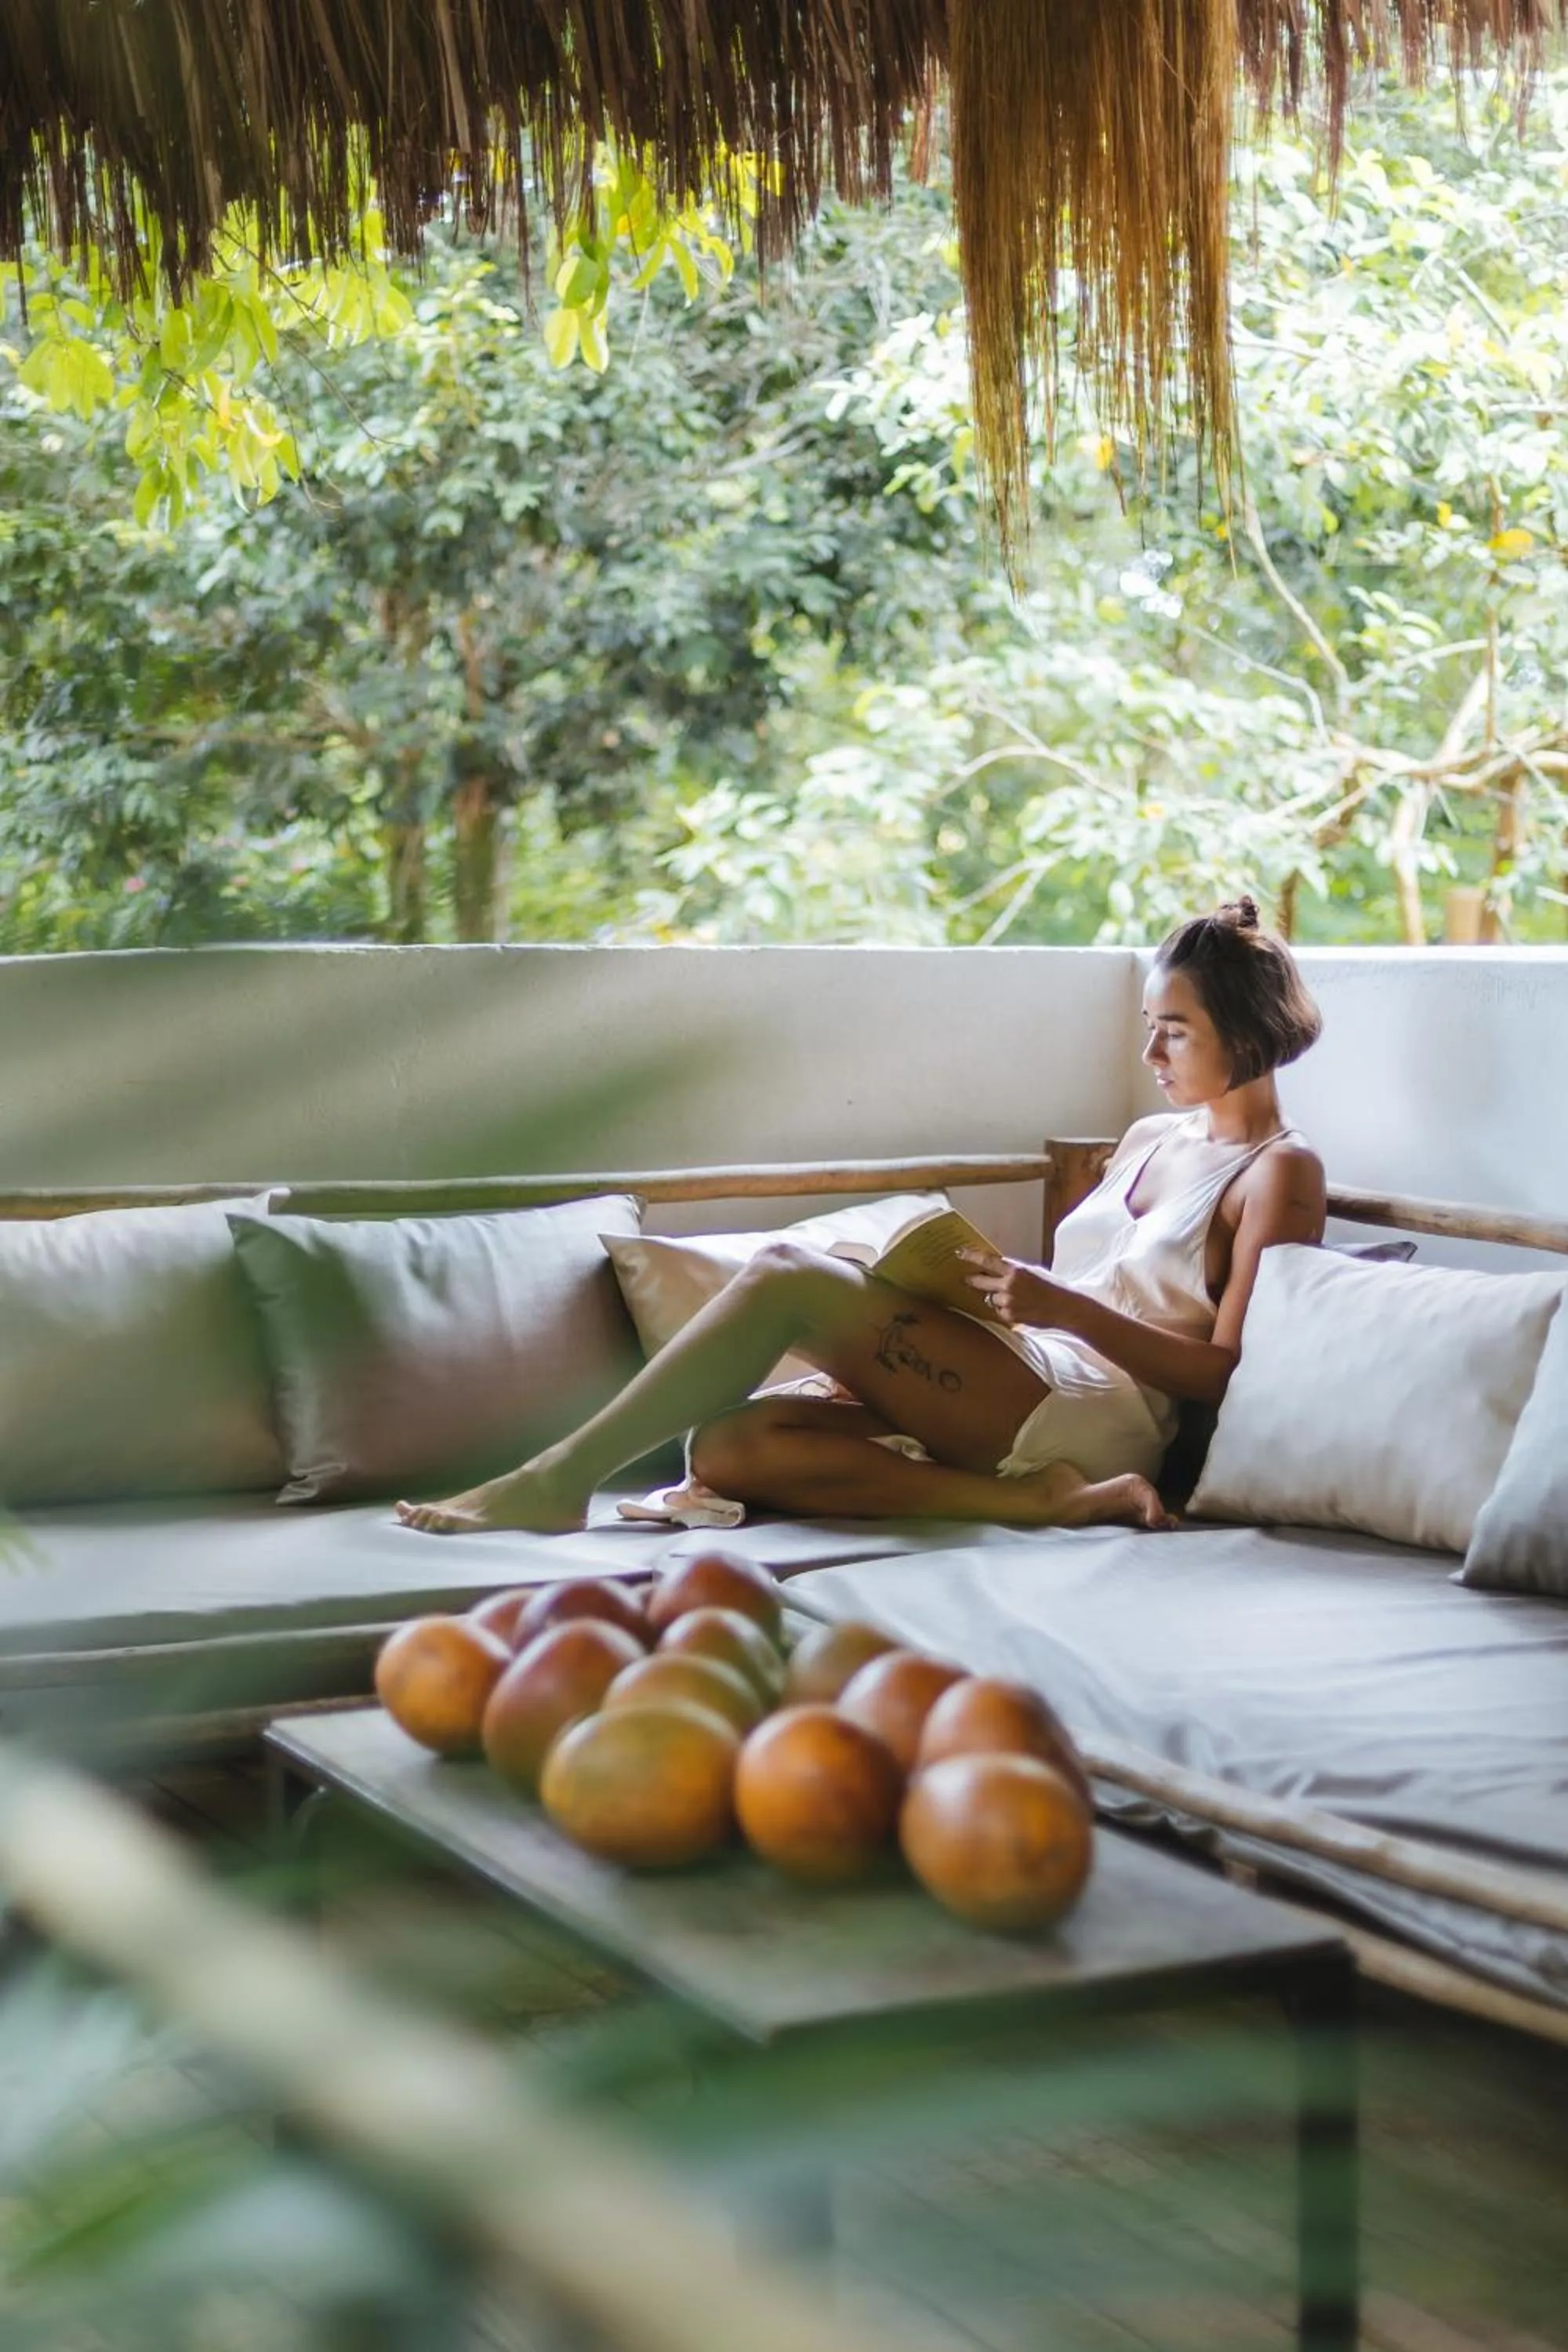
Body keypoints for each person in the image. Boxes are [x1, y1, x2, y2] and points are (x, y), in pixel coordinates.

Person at [396, 897, 1326, 1537]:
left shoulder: (1277, 1173)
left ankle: (556, 1479)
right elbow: (1062, 1294)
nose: (1148, 1047)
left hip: (1106, 1408)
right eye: (1148, 1021)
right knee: (724, 1447)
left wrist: (1064, 1311)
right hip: (1027, 1377)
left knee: (787, 1277)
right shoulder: (1147, 1138)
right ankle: (1043, 1504)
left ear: (1243, 1034)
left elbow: (1222, 1374)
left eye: (1174, 1028)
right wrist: (938, 1332)